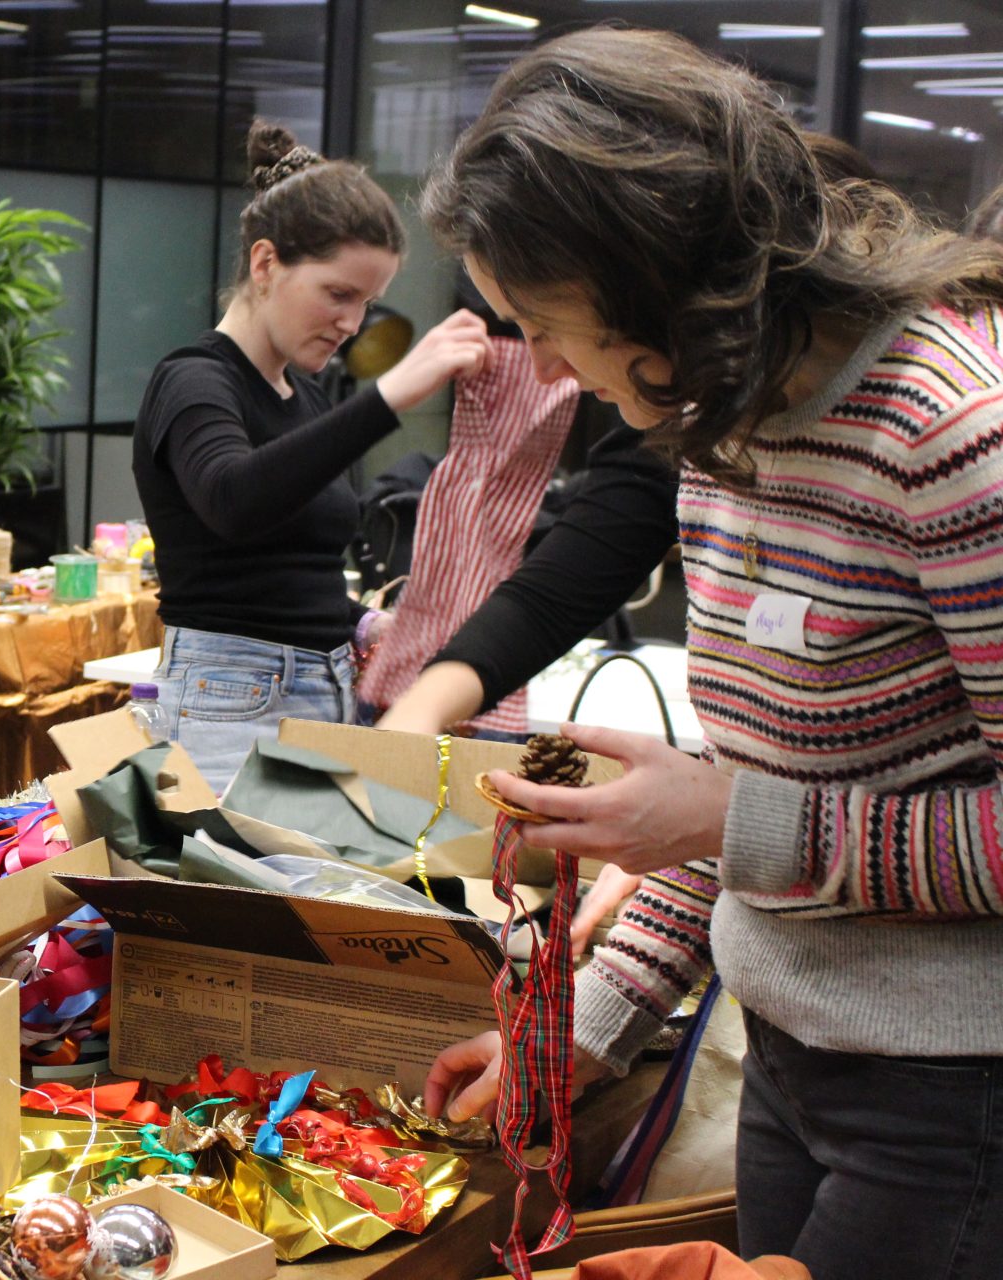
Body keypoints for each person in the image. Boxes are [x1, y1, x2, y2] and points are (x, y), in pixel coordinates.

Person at [415, 29, 1003, 1276]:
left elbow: (738, 812)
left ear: (653, 274)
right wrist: (583, 1026)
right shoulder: (718, 426)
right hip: (790, 1055)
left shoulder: (950, 437)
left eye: (548, 324)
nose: (554, 372)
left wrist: (735, 817)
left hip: (952, 1095)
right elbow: (726, 805)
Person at [132, 120, 491, 792]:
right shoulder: (194, 381)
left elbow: (282, 566)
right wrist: (389, 397)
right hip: (230, 702)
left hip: (322, 693)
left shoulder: (309, 394)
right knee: (249, 893)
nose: (352, 325)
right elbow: (233, 501)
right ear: (265, 264)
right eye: (338, 294)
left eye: (367, 302)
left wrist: (363, 622)